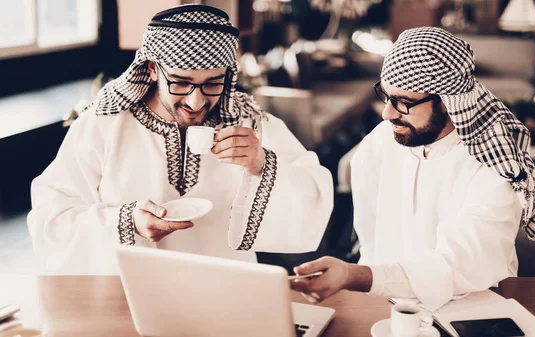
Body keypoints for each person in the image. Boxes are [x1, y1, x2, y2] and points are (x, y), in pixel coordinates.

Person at [27, 5, 333, 274]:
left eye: (213, 83)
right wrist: (125, 220)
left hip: (229, 294)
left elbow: (315, 196)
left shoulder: (253, 125)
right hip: (129, 295)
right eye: (181, 83)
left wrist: (263, 164)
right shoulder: (103, 126)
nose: (196, 102)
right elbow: (50, 219)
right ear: (151, 69)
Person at [291, 27, 535, 310]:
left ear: (449, 102)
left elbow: (461, 264)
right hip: (386, 304)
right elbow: (371, 242)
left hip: (469, 312)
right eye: (386, 96)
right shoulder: (380, 143)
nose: (387, 113)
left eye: (404, 103)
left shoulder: (490, 166)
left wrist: (360, 276)